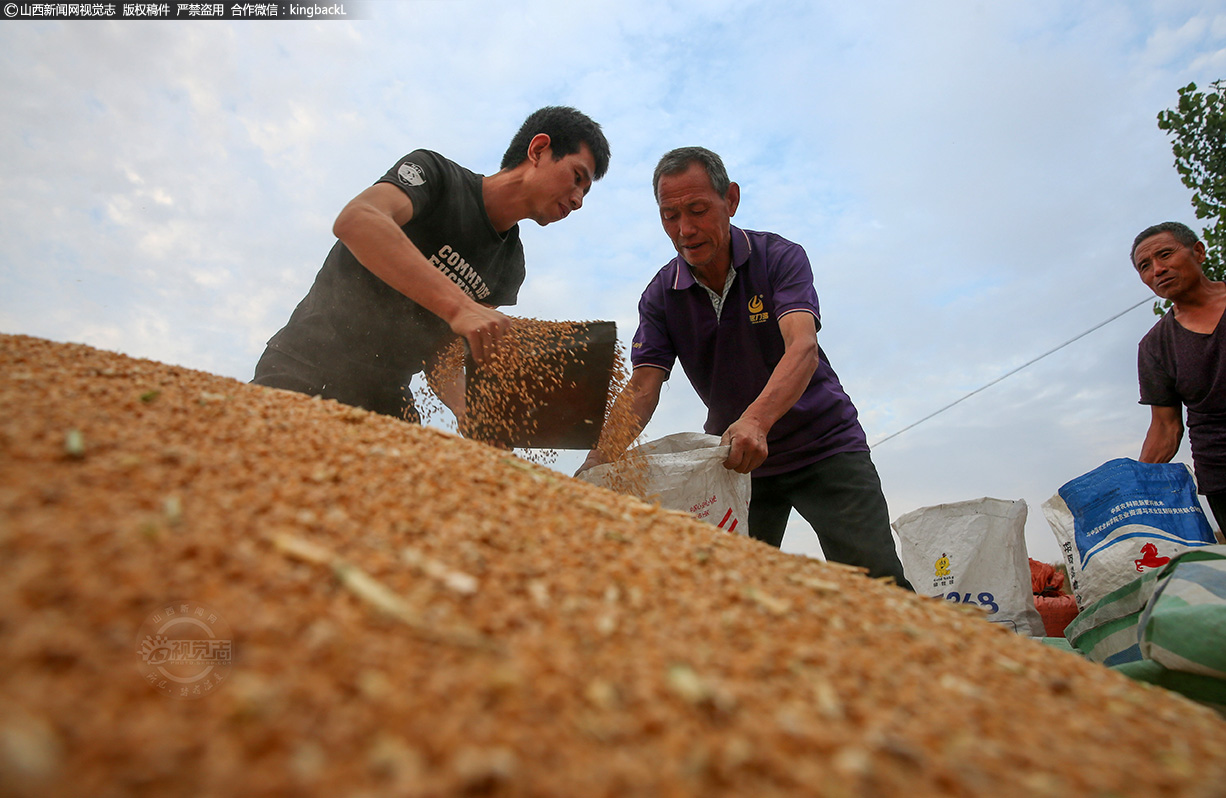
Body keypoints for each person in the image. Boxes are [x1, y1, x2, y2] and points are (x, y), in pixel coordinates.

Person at [581, 146, 911, 588]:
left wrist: (756, 419)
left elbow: (802, 348)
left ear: (731, 199)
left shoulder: (778, 258)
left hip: (825, 445)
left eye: (698, 210)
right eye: (670, 216)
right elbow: (643, 387)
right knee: (729, 595)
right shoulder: (661, 296)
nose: (685, 229)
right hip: (737, 463)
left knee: (880, 588)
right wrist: (596, 463)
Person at [252, 106, 611, 423]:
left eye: (586, 192)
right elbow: (358, 220)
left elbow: (443, 353)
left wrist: (472, 411)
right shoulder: (436, 177)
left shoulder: (510, 266)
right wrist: (459, 305)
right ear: (538, 150)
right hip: (307, 364)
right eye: (577, 177)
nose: (578, 200)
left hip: (385, 396)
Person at [1133, 221, 1226, 533]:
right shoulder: (1155, 347)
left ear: (1198, 252)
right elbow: (1165, 428)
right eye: (1145, 266)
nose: (1157, 270)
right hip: (1221, 475)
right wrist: (1136, 489)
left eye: (1165, 255)